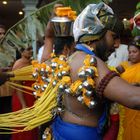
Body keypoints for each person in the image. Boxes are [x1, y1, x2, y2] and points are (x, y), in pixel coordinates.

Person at [49, 2, 140, 140]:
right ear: (95, 34)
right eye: (113, 37)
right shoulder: (91, 63)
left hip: (64, 130)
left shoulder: (73, 57)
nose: (116, 45)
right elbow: (134, 99)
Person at [11, 46, 38, 140]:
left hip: (31, 98)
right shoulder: (18, 64)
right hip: (22, 99)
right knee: (23, 126)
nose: (31, 51)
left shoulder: (32, 62)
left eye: (31, 49)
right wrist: (23, 105)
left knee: (32, 126)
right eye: (28, 49)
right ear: (21, 52)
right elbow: (18, 86)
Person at [116, 36, 140, 140]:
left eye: (135, 51)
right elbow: (113, 78)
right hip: (124, 105)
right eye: (130, 52)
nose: (131, 54)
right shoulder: (123, 66)